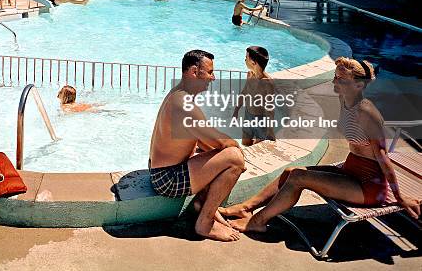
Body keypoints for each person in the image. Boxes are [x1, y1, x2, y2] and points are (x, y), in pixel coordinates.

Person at [222, 57, 421, 233]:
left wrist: (399, 196)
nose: (334, 81)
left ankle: (258, 221)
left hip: (368, 185)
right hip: (350, 171)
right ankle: (245, 208)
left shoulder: (366, 112)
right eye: (335, 76)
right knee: (290, 171)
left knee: (298, 177)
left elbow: (383, 157)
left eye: (341, 79)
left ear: (359, 85)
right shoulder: (345, 100)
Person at [149, 50, 246, 241]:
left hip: (162, 171)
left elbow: (203, 138)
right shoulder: (183, 103)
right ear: (194, 71)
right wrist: (236, 148)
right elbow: (219, 141)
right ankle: (205, 222)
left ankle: (202, 204)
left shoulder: (179, 93)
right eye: (209, 72)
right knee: (234, 159)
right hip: (168, 179)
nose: (213, 77)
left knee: (216, 153)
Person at [233, 47, 276, 146]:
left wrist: (270, 130)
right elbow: (244, 93)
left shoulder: (267, 83)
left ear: (253, 62)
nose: (244, 60)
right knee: (245, 144)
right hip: (248, 115)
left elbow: (270, 108)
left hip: (261, 120)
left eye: (246, 58)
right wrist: (236, 111)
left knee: (259, 147)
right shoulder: (250, 75)